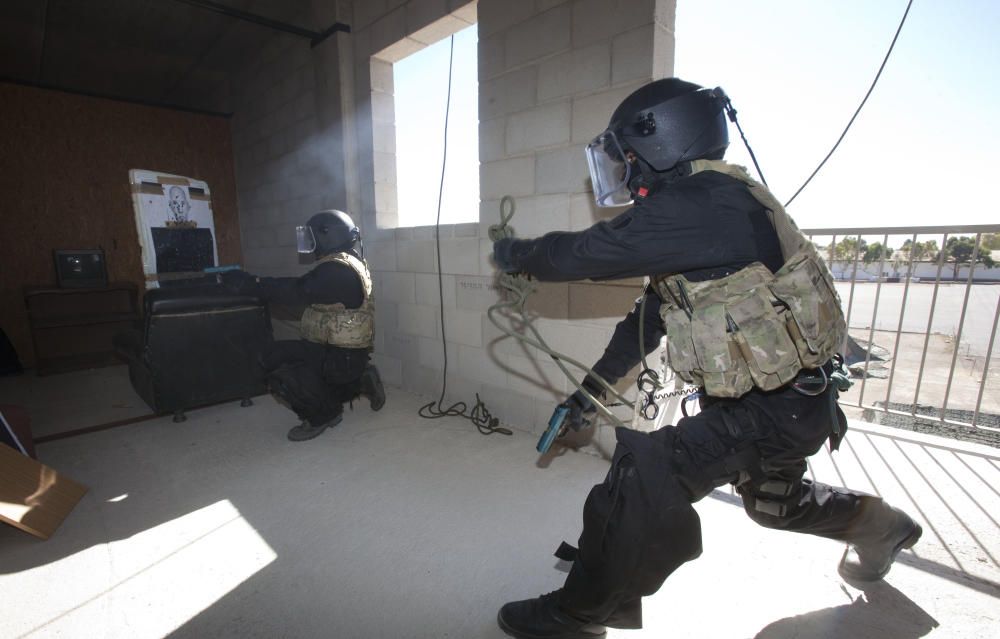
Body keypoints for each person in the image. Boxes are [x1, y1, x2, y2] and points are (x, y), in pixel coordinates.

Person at [491, 78, 922, 639]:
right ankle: (884, 527)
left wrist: (516, 254)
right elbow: (645, 323)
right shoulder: (701, 213)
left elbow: (588, 253)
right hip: (789, 405)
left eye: (626, 155)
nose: (624, 170)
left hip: (772, 406)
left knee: (644, 473)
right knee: (776, 508)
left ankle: (579, 614)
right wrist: (588, 394)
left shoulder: (703, 204)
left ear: (662, 140)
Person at [221, 210, 385, 441]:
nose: (310, 242)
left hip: (340, 356)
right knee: (275, 355)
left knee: (280, 372)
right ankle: (359, 380)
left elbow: (295, 290)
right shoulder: (346, 261)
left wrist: (249, 283)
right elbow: (307, 289)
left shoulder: (337, 270)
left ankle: (324, 415)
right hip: (338, 350)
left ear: (328, 235)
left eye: (313, 236)